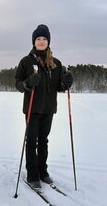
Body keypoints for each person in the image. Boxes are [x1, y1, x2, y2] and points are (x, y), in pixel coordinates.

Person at [15, 24, 73, 189]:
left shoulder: (55, 63)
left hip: (48, 109)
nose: (41, 41)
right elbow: (18, 83)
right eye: (38, 39)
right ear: (34, 41)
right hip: (32, 108)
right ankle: (32, 174)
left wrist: (66, 82)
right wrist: (27, 83)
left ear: (48, 41)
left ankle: (43, 171)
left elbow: (60, 87)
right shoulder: (26, 61)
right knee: (31, 141)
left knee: (44, 141)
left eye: (44, 39)